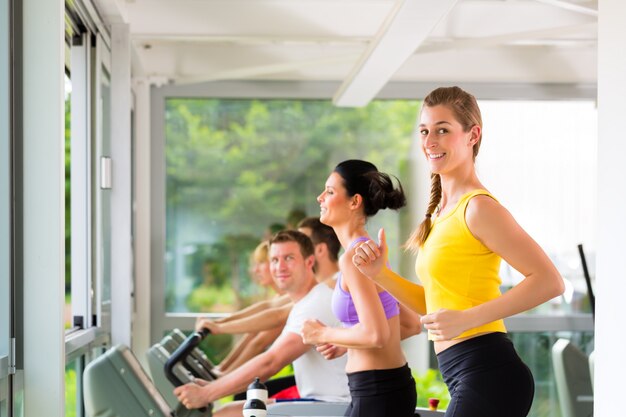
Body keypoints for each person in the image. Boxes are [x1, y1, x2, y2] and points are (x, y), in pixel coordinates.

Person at [351, 86, 565, 417]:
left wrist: (467, 319)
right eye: (424, 131)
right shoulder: (440, 214)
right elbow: (435, 307)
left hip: (489, 371)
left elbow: (550, 281)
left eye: (442, 130)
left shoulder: (478, 208)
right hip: (466, 372)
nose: (430, 141)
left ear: (472, 135)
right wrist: (381, 275)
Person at [175, 230, 350, 416]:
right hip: (322, 401)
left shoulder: (315, 303)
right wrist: (214, 384)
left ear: (309, 262)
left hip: (335, 406)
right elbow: (268, 311)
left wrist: (207, 393)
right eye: (274, 260)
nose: (280, 267)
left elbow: (271, 362)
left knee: (226, 414)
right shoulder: (305, 301)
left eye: (289, 258)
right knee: (227, 411)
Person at [300, 160, 417, 417]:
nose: (320, 197)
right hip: (385, 389)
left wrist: (323, 334)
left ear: (354, 202)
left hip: (377, 392)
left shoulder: (355, 258)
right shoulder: (369, 253)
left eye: (330, 192)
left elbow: (376, 335)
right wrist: (349, 343)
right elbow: (409, 324)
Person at [201, 241, 291, 376]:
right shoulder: (278, 298)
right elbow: (253, 333)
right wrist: (222, 367)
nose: (255, 270)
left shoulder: (289, 298)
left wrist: (224, 376)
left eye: (261, 262)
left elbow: (259, 342)